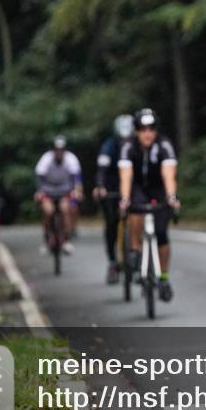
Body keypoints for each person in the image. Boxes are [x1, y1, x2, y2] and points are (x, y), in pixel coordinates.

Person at [118, 108, 180, 302]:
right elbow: (126, 176)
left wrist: (171, 196)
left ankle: (164, 277)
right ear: (136, 131)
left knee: (161, 233)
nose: (148, 133)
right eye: (143, 129)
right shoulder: (128, 147)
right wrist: (125, 199)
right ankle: (136, 249)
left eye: (152, 128)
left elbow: (168, 174)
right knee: (135, 210)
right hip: (137, 187)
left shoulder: (164, 145)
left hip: (158, 189)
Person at [93, 114, 134, 284]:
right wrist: (101, 187)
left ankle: (138, 255)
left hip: (132, 188)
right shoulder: (108, 146)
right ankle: (112, 262)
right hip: (112, 189)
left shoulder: (137, 146)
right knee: (111, 224)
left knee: (139, 218)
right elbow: (101, 168)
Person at [34, 135, 84, 254]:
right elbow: (39, 177)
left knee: (66, 209)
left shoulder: (71, 159)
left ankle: (65, 239)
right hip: (48, 191)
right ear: (53, 150)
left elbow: (77, 178)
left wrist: (78, 191)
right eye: (57, 150)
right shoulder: (46, 159)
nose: (59, 153)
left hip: (65, 191)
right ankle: (47, 238)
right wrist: (39, 191)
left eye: (61, 150)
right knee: (48, 211)